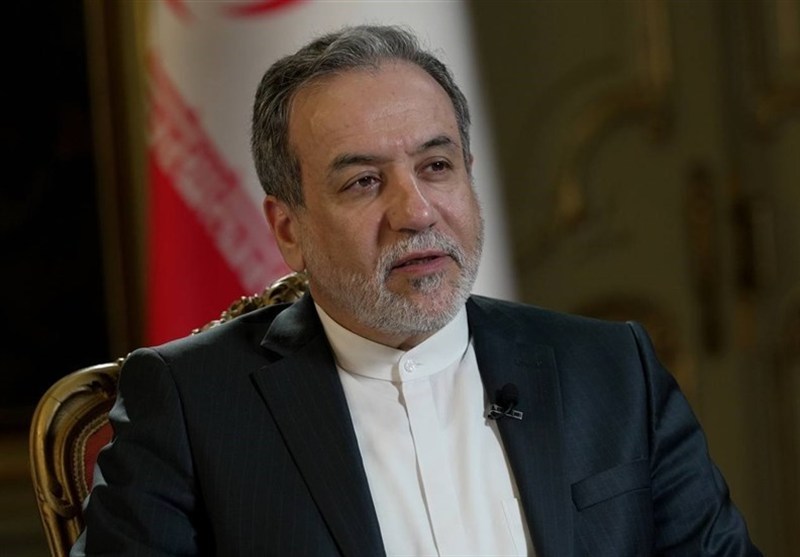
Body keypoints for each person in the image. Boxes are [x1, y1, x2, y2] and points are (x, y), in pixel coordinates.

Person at [72, 24, 761, 557]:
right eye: (364, 182)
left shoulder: (613, 370)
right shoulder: (192, 406)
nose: (417, 211)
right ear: (288, 228)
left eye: (436, 166)